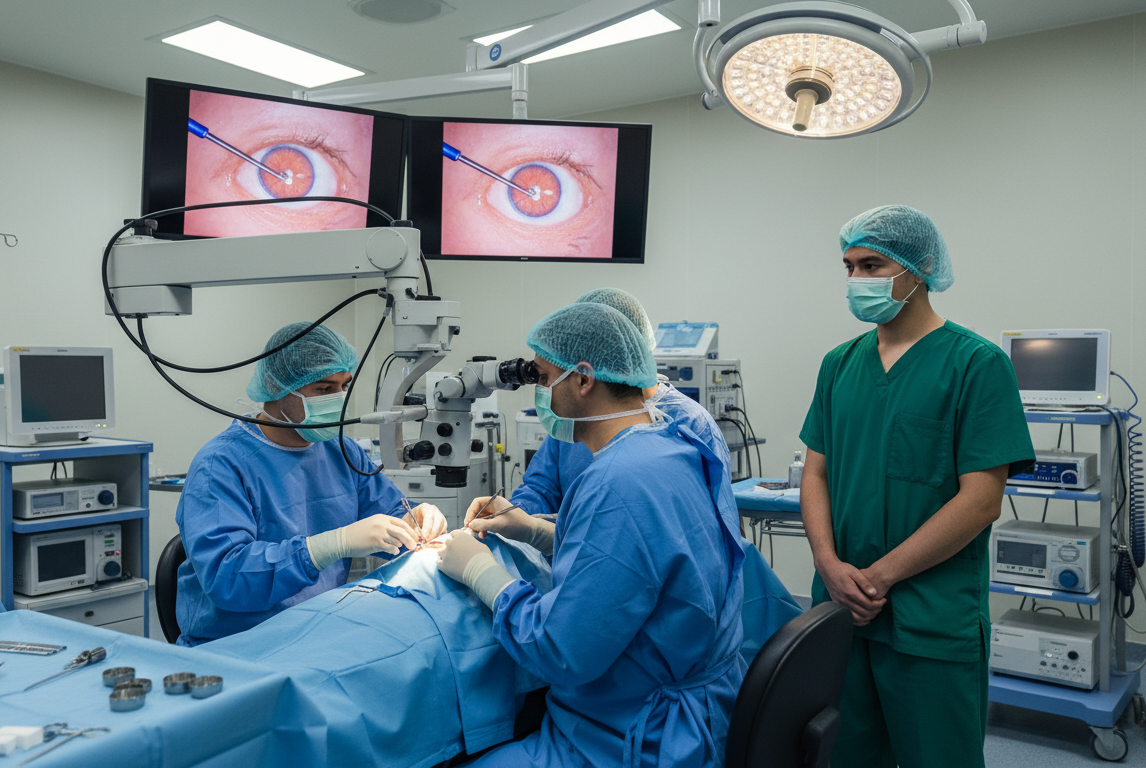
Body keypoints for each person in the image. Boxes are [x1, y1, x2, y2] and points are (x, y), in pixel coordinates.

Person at [437, 301, 746, 767]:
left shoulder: (617, 481)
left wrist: (483, 574)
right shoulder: (670, 448)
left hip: (630, 737)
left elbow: (560, 652)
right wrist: (537, 530)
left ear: (583, 379)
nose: (540, 393)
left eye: (542, 379)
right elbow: (645, 557)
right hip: (698, 707)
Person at [799, 205, 1034, 767]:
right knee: (843, 754)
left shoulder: (976, 364)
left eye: (872, 265)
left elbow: (980, 501)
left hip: (929, 619)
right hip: (841, 608)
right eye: (849, 267)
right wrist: (830, 567)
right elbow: (816, 473)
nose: (857, 280)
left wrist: (877, 579)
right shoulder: (839, 364)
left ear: (918, 268)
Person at [174, 322, 446, 646]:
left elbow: (388, 513)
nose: (339, 399)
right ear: (277, 386)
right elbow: (227, 578)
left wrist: (416, 524)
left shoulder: (341, 451)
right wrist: (328, 546)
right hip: (239, 645)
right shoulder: (220, 466)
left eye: (344, 385)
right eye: (324, 389)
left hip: (319, 633)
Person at [481, 287, 736, 524]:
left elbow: (715, 525)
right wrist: (511, 519)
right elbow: (541, 487)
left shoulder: (690, 424)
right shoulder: (577, 417)